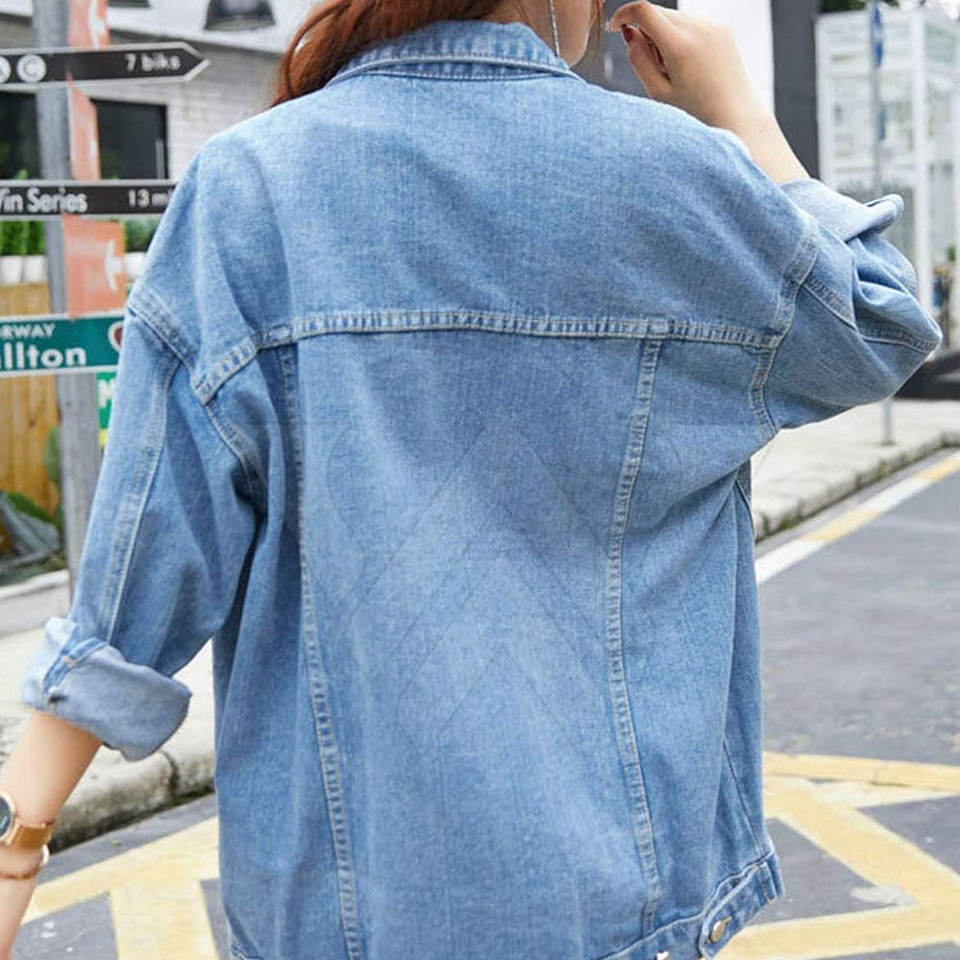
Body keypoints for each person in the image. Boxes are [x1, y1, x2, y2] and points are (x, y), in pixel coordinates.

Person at [0, 0, 942, 957]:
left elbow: (144, 565)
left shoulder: (252, 186)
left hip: (341, 911)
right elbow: (878, 327)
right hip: (617, 903)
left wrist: (20, 840)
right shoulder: (675, 175)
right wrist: (741, 113)